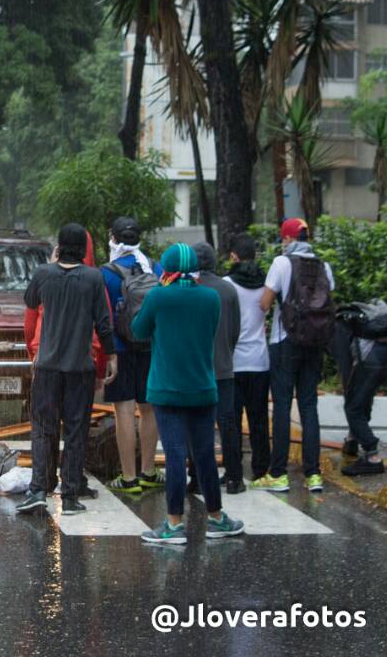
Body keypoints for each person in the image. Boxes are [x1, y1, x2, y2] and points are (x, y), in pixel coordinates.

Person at [132, 244, 244, 544]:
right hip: (202, 387)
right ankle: (217, 518)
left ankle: (173, 523)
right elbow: (210, 332)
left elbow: (138, 330)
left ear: (166, 269)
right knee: (205, 454)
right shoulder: (211, 297)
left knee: (174, 456)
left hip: (166, 388)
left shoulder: (157, 296)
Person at [18, 224, 117, 516]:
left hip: (47, 366)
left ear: (58, 247)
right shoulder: (93, 278)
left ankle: (38, 488)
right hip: (80, 368)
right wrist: (111, 356)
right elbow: (103, 322)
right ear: (85, 250)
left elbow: (30, 302)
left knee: (44, 428)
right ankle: (70, 495)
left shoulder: (43, 274)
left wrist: (50, 265)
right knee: (76, 430)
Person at [257, 218, 335, 493]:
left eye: (283, 239)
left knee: (281, 405)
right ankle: (313, 475)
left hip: (285, 341)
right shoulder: (323, 265)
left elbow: (265, 303)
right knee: (308, 405)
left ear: (288, 239)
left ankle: (278, 474)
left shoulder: (282, 263)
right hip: (315, 342)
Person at [101, 216, 164, 494]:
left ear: (113, 238)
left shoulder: (105, 273)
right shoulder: (155, 266)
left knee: (124, 411)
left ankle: (128, 478)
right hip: (151, 346)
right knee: (149, 409)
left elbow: (102, 316)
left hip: (120, 349)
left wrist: (107, 352)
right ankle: (149, 471)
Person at [191, 242, 242, 494]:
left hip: (195, 368)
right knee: (227, 422)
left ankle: (197, 477)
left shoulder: (189, 289)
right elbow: (235, 331)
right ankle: (234, 477)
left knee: (196, 423)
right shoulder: (227, 289)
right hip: (223, 365)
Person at [224, 234, 271, 484]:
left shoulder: (225, 284)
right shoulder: (267, 284)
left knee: (230, 421)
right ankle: (261, 470)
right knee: (259, 419)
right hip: (260, 361)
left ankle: (234, 473)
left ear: (234, 256)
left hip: (232, 363)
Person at [336, 304, 387, 477]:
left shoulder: (337, 326)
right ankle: (352, 440)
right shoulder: (363, 315)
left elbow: (347, 369)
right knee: (363, 397)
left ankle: (372, 456)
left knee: (353, 407)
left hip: (373, 357)